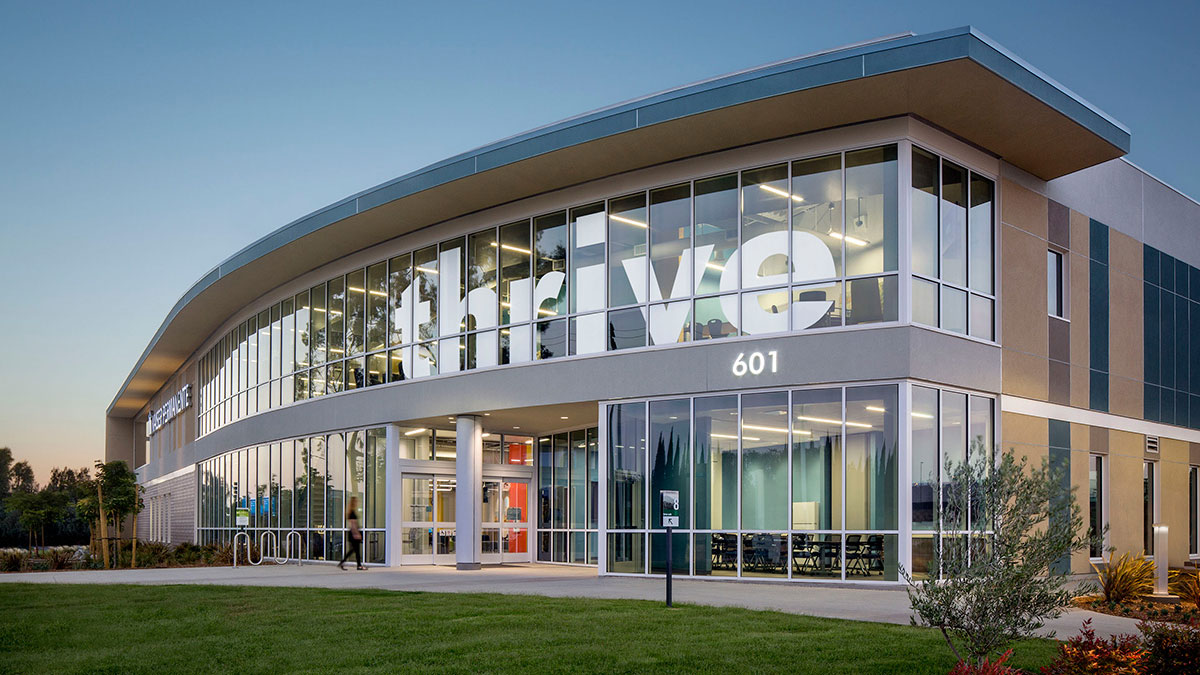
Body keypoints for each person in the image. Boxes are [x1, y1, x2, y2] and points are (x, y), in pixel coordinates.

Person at [338, 496, 365, 570]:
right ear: (353, 503)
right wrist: (356, 534)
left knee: (354, 550)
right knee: (356, 551)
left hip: (352, 534)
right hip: (354, 534)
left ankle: (343, 562)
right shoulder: (352, 512)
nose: (357, 503)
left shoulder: (351, 512)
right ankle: (359, 566)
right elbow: (353, 525)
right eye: (356, 501)